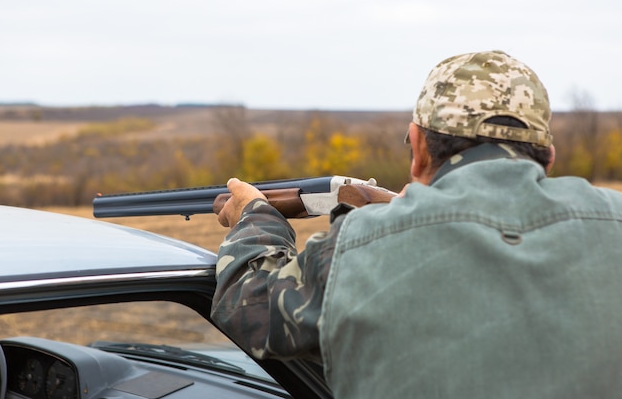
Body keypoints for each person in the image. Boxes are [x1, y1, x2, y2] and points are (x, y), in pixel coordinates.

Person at [211, 50, 622, 399]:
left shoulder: (361, 246)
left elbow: (247, 308)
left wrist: (254, 216)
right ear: (547, 158)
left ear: (418, 150)